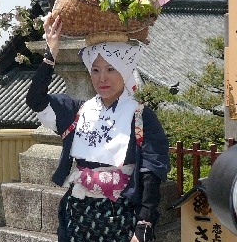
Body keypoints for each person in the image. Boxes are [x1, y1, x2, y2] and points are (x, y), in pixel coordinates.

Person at [26, 15, 170, 242]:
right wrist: (50, 52)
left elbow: (151, 172)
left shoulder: (140, 115)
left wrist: (145, 221)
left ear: (124, 71)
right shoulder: (78, 110)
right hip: (79, 212)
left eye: (111, 69)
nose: (102, 78)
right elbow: (35, 100)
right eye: (95, 70)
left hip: (122, 215)